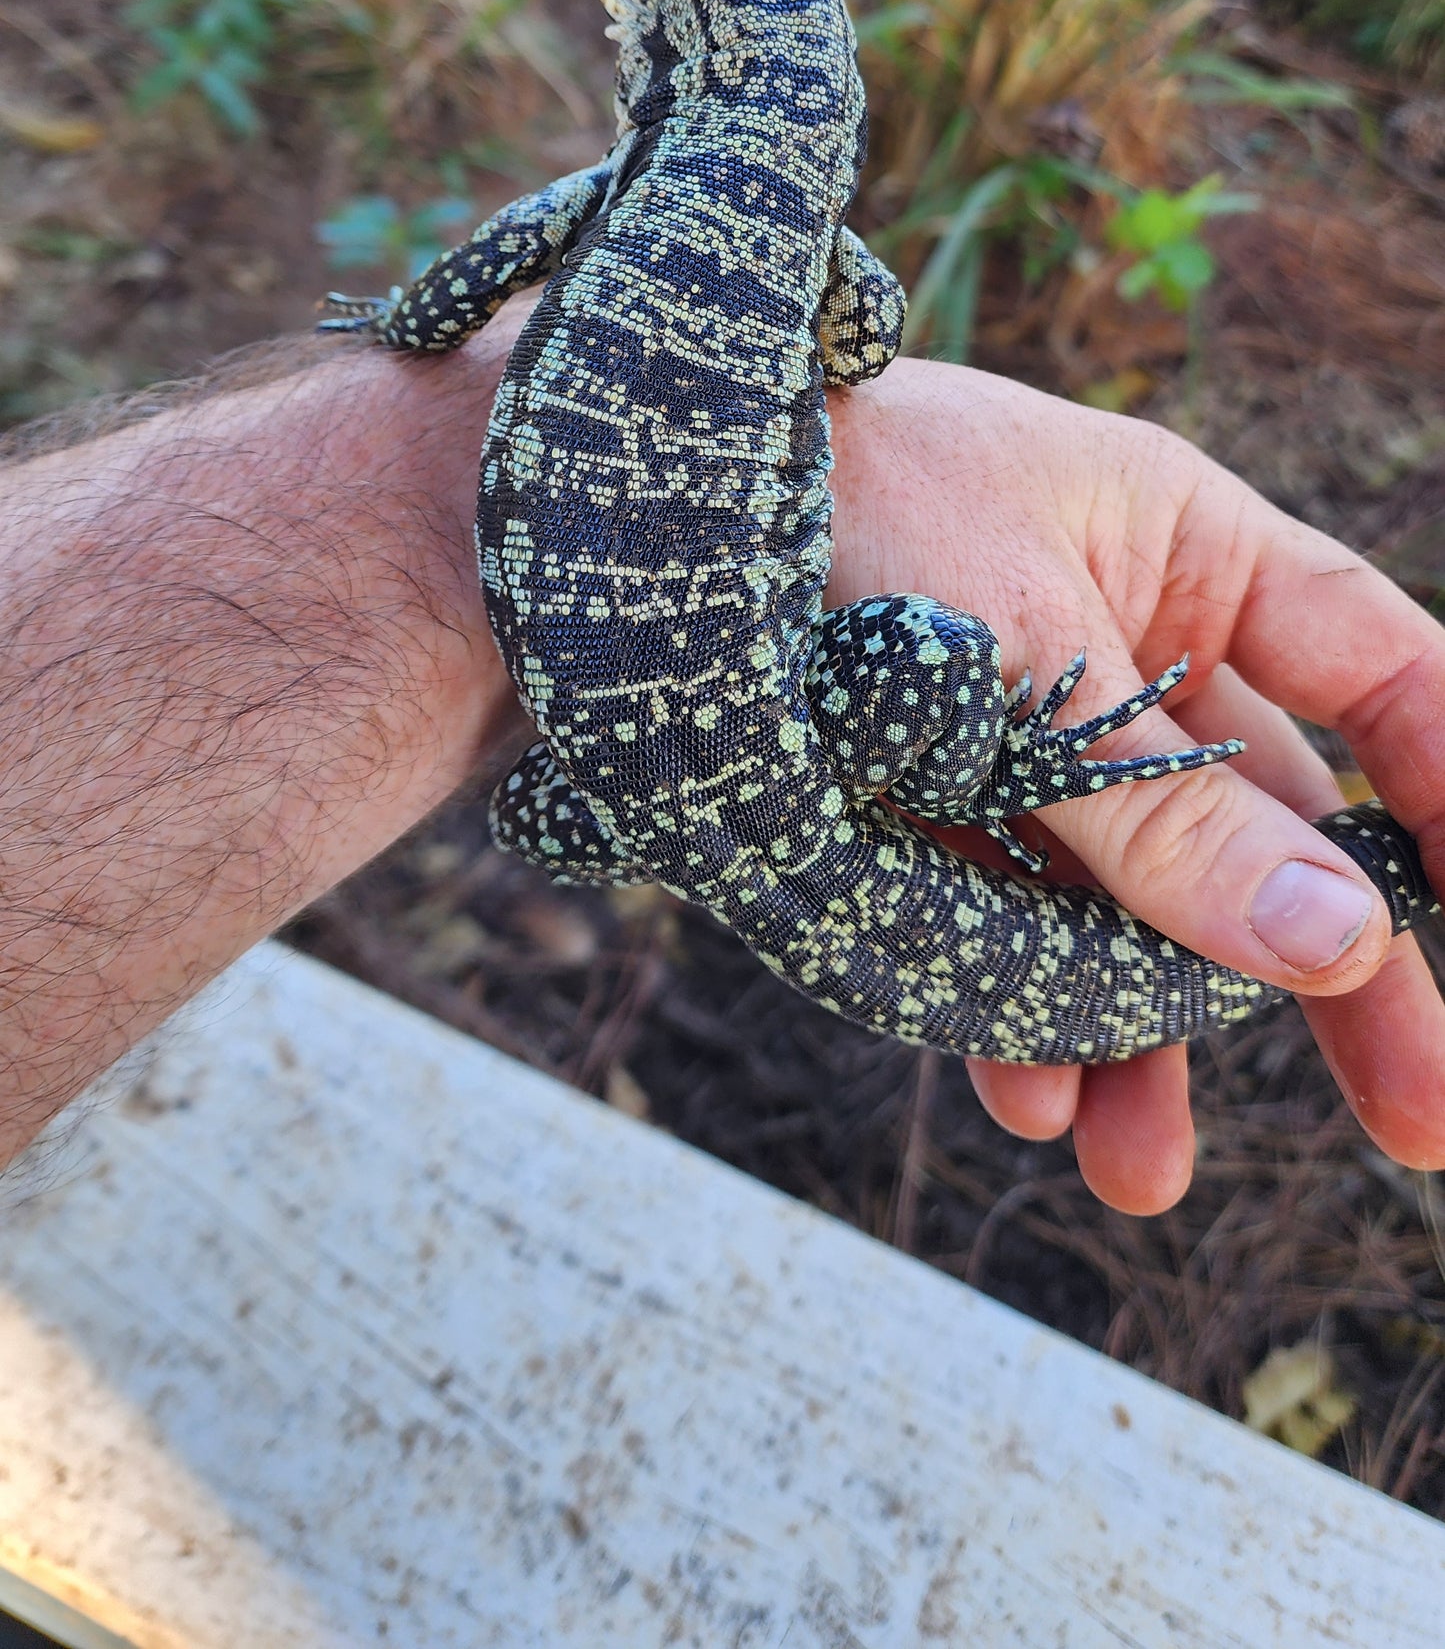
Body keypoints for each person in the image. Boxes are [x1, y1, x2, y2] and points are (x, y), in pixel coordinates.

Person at [1, 292, 1441, 1215]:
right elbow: (855, 338)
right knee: (604, 803)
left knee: (680, 770)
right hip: (938, 914)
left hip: (929, 909)